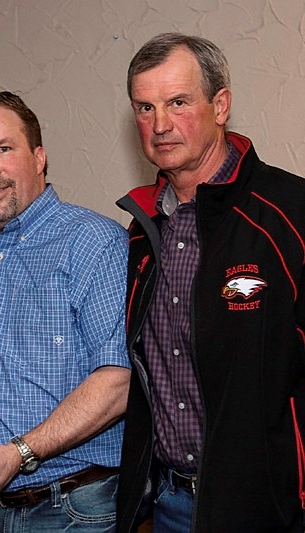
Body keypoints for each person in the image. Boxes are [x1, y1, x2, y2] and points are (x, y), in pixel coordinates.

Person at [116, 32, 305, 532]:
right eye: (144, 107)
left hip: (269, 510)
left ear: (220, 105)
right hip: (170, 505)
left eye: (178, 102)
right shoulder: (141, 234)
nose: (160, 125)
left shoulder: (290, 213)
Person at [0, 91, 131, 532]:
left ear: (39, 157)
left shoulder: (93, 243)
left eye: (3, 149)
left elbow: (118, 382)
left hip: (73, 507)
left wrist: (20, 453)